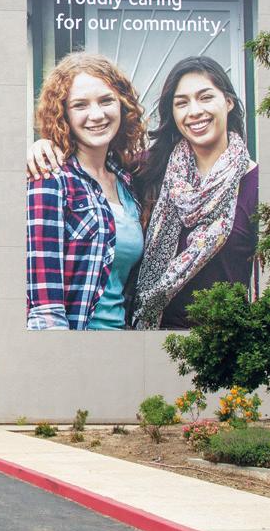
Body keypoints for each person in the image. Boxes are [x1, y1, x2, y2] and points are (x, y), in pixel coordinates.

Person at [27, 55, 258, 330]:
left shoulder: (255, 184)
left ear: (229, 102)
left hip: (219, 342)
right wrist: (43, 145)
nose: (195, 111)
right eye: (181, 102)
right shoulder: (149, 171)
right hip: (144, 337)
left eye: (206, 97)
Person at [26, 53, 146, 330]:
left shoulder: (128, 183)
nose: (97, 115)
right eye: (80, 105)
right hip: (76, 344)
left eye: (106, 101)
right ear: (64, 114)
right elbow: (45, 305)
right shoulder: (50, 178)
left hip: (124, 341)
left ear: (123, 104)